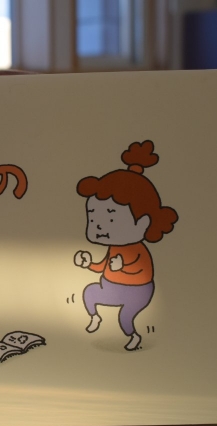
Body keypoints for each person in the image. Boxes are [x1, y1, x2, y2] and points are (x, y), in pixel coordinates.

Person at [74, 141, 178, 351]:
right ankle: (95, 318)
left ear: (144, 223)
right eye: (93, 218)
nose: (99, 226)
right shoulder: (114, 247)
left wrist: (123, 266)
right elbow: (104, 266)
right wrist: (88, 264)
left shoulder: (136, 249)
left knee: (125, 317)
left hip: (137, 291)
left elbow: (142, 270)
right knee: (89, 293)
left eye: (111, 218)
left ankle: (133, 336)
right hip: (110, 286)